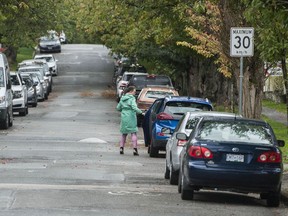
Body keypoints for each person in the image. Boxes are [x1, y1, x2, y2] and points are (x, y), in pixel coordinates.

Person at [116, 86, 142, 155]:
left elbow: (118, 108)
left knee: (124, 133)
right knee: (133, 132)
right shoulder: (132, 98)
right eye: (134, 91)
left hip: (124, 116)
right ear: (130, 91)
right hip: (131, 116)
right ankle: (135, 149)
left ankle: (121, 148)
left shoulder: (122, 98)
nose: (135, 92)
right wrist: (140, 112)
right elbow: (134, 107)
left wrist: (124, 110)